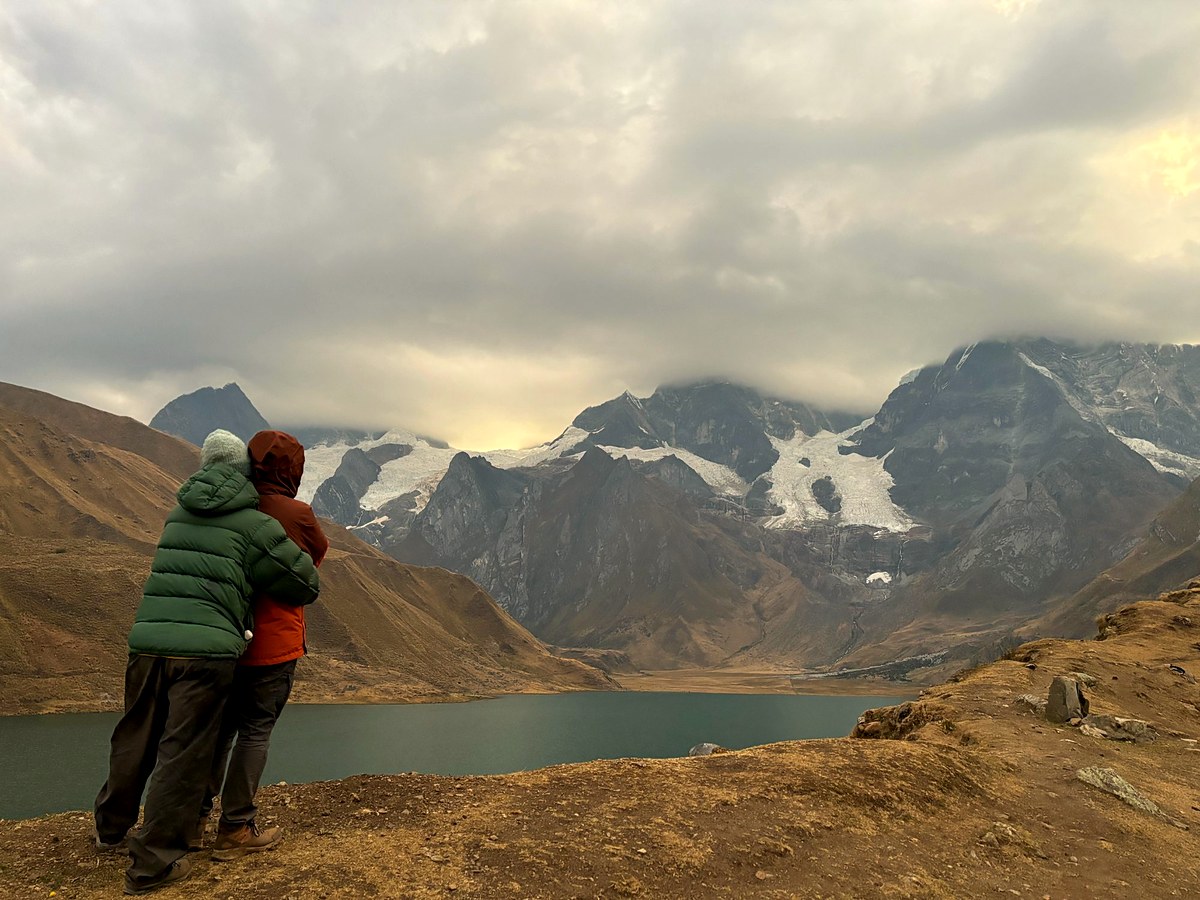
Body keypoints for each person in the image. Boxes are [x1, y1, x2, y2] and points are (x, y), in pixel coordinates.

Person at [93, 429, 321, 896]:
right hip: (206, 652)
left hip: (147, 642)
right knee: (184, 751)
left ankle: (111, 831)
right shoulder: (252, 523)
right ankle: (153, 864)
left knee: (135, 736)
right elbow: (303, 584)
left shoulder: (176, 513)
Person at [204, 430, 329, 861]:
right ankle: (235, 826)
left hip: (220, 638)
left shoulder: (226, 507)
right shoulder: (296, 514)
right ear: (294, 470)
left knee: (217, 732)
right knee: (255, 731)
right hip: (273, 642)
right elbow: (314, 560)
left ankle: (192, 818)